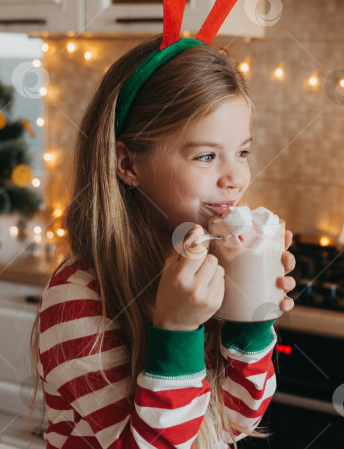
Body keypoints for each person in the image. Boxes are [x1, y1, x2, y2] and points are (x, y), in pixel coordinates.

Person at [30, 35, 297, 448]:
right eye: (206, 156)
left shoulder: (204, 262)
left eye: (242, 152)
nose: (236, 178)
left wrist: (251, 318)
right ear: (128, 163)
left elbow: (235, 421)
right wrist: (176, 330)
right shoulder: (77, 297)